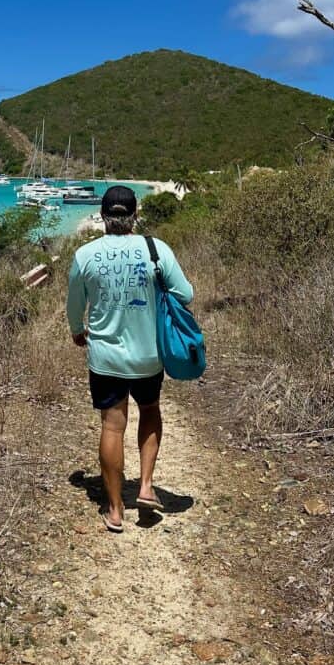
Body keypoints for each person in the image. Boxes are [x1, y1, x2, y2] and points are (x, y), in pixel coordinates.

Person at [66, 185, 193, 532]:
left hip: (106, 358)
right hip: (149, 356)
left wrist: (78, 329)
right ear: (135, 215)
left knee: (112, 425)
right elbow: (186, 294)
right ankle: (147, 486)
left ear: (103, 217)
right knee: (150, 410)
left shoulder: (85, 255)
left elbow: (74, 306)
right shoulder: (155, 249)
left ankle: (116, 509)